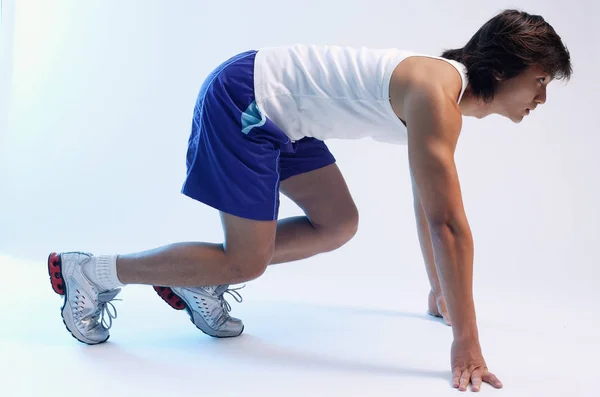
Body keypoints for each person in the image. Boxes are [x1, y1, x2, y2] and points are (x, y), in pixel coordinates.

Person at [47, 8, 571, 392]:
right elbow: (449, 226)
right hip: (246, 99)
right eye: (540, 81)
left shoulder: (444, 92)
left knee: (337, 223)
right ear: (504, 70)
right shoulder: (438, 97)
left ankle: (200, 275)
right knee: (246, 260)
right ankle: (90, 273)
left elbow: (427, 200)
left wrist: (439, 291)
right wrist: (467, 343)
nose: (542, 99)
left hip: (286, 116)